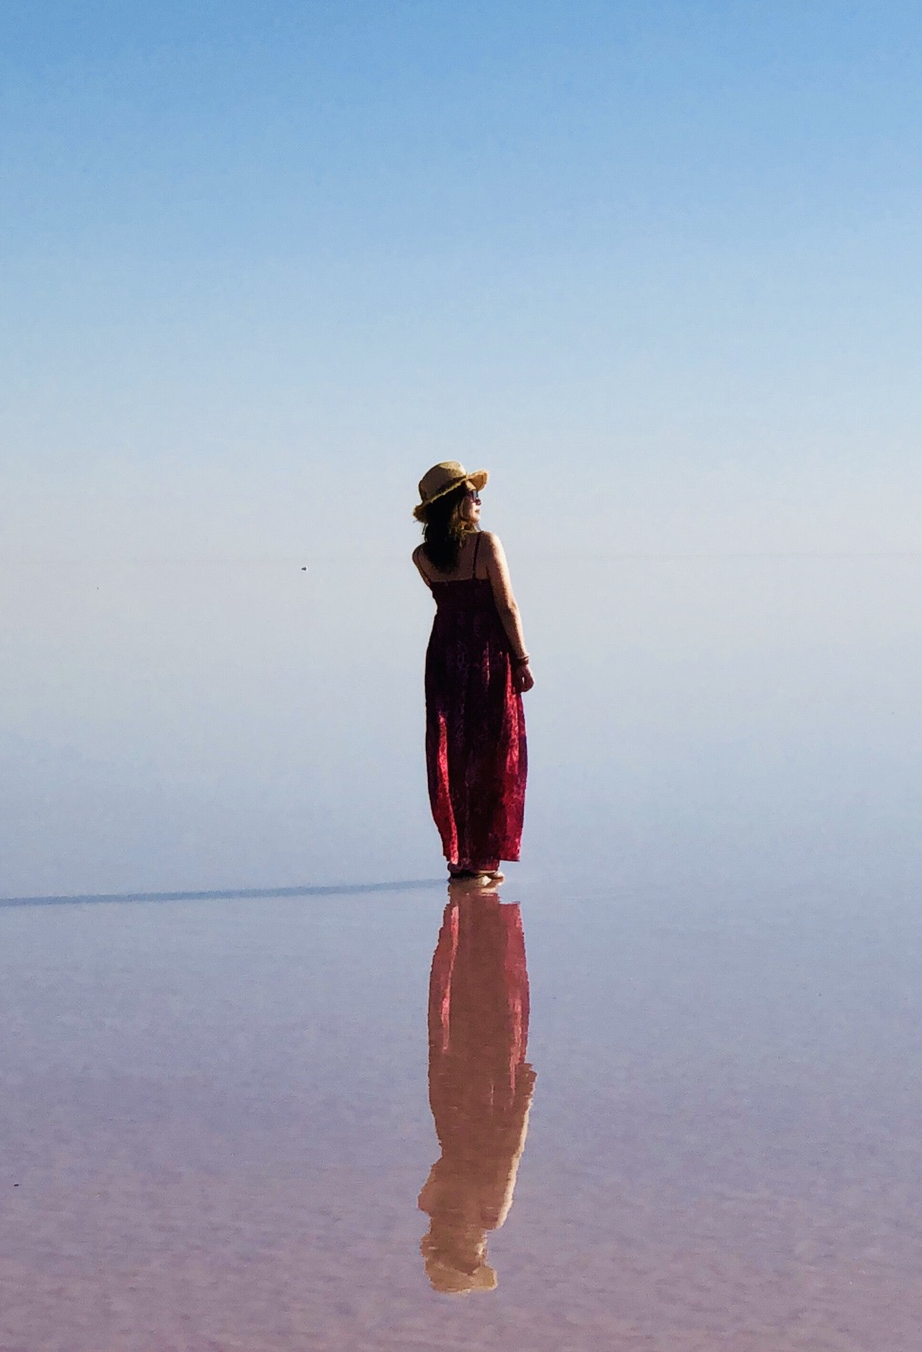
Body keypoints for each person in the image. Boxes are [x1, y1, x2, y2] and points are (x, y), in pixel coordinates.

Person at [412, 461, 532, 878]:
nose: (478, 500)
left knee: (454, 754)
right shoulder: (486, 545)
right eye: (471, 494)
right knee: (492, 751)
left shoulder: (422, 557)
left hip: (445, 658)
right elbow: (506, 605)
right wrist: (522, 660)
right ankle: (483, 858)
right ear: (454, 504)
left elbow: (449, 603)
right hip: (487, 659)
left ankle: (461, 858)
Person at [417, 883, 535, 1294]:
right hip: (465, 1108)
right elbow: (508, 1157)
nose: (480, 1250)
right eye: (477, 1257)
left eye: (471, 1256)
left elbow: (509, 1155)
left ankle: (473, 924)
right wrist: (522, 1100)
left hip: (475, 1110)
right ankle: (476, 922)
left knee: (475, 1024)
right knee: (478, 1023)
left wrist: (523, 1100)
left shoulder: (463, 1209)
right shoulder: (448, 1207)